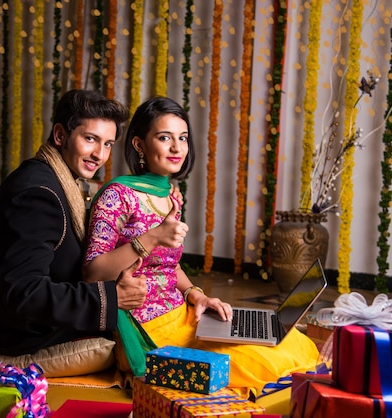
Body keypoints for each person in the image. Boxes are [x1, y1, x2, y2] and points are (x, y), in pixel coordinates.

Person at [83, 97, 320, 396]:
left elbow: (169, 265)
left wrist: (196, 295)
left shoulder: (171, 195)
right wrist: (152, 237)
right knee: (259, 361)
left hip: (182, 314)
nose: (177, 148)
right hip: (143, 329)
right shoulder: (117, 195)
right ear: (140, 145)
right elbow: (92, 272)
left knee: (295, 342)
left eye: (182, 138)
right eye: (164, 137)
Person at [0, 90, 147, 366]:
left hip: (27, 327)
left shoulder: (55, 179)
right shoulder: (39, 195)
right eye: (90, 139)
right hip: (18, 339)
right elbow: (24, 293)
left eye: (108, 144)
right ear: (61, 135)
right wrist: (113, 297)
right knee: (142, 348)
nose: (99, 154)